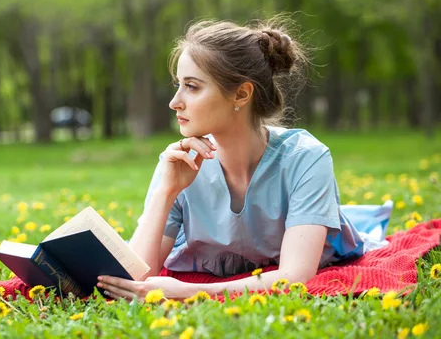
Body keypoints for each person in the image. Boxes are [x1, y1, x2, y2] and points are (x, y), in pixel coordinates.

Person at [96, 19, 392, 300]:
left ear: (241, 94)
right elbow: (135, 276)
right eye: (178, 85)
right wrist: (165, 192)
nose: (175, 102)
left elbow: (295, 276)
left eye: (192, 86)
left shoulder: (306, 158)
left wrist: (189, 292)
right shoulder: (179, 162)